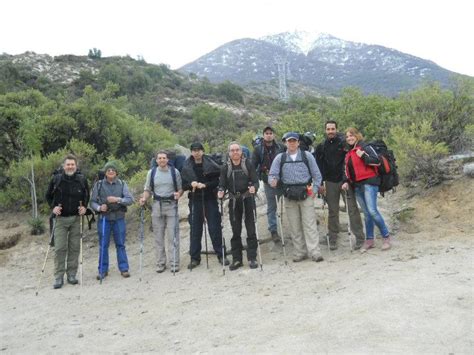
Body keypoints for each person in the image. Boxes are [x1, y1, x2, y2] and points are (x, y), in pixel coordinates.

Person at [269, 132, 324, 263]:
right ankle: (300, 252)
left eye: (294, 141)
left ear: (298, 142)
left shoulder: (307, 156)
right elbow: (272, 174)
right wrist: (273, 180)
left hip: (306, 194)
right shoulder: (279, 158)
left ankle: (315, 252)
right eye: (289, 141)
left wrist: (315, 190)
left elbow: (317, 175)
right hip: (289, 195)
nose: (292, 143)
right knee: (294, 225)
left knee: (309, 224)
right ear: (285, 143)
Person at [315, 120, 365, 250]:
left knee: (352, 209)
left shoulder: (344, 144)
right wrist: (320, 184)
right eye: (328, 129)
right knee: (332, 211)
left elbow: (349, 161)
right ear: (325, 130)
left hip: (346, 181)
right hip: (330, 182)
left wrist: (347, 180)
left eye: (333, 129)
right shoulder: (322, 146)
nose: (330, 131)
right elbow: (318, 166)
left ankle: (360, 237)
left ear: (336, 129)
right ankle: (333, 237)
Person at [341, 127, 391, 252]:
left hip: (370, 183)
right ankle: (369, 240)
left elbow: (377, 162)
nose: (349, 138)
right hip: (357, 186)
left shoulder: (365, 148)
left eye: (351, 135)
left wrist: (363, 156)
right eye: (347, 137)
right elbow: (347, 171)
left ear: (357, 135)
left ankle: (386, 237)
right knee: (367, 214)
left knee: (372, 211)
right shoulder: (348, 154)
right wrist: (346, 182)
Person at [181, 142, 229, 269]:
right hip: (195, 200)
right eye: (194, 150)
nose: (196, 152)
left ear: (202, 151)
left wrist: (206, 185)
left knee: (215, 228)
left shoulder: (211, 164)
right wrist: (191, 184)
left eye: (199, 150)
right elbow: (183, 185)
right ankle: (195, 258)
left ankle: (221, 255)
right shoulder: (186, 167)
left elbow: (217, 181)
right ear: (191, 152)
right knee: (195, 230)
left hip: (210, 199)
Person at [45, 154, 89, 289]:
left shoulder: (81, 180)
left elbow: (86, 195)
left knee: (74, 248)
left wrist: (84, 207)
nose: (70, 167)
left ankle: (71, 274)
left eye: (72, 164)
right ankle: (58, 277)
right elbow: (48, 196)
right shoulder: (56, 179)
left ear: (76, 166)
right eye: (68, 164)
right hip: (60, 219)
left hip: (76, 219)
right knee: (59, 248)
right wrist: (53, 208)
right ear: (64, 166)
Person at [217, 142, 260, 271]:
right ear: (229, 153)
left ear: (241, 152)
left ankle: (252, 258)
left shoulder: (248, 164)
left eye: (237, 150)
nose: (235, 152)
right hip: (233, 201)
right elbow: (222, 184)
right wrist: (220, 190)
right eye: (232, 150)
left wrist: (254, 188)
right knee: (235, 230)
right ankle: (237, 259)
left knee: (251, 228)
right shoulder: (225, 167)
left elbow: (256, 181)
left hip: (247, 198)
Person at [139, 150, 183, 273]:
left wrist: (178, 194)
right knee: (158, 237)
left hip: (171, 205)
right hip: (157, 206)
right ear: (156, 160)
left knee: (172, 235)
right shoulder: (151, 173)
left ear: (168, 159)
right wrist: (144, 198)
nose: (162, 160)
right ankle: (160, 263)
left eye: (164, 158)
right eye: (159, 158)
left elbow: (180, 189)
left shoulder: (175, 172)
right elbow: (148, 189)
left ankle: (174, 263)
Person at [90, 162, 133, 280]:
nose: (110, 172)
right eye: (108, 170)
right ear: (105, 172)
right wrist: (99, 208)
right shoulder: (98, 185)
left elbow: (130, 200)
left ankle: (124, 269)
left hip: (119, 218)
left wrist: (117, 200)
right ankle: (102, 270)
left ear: (116, 172)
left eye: (112, 170)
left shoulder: (122, 184)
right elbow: (92, 202)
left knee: (121, 244)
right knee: (103, 245)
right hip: (104, 218)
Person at [251, 126, 285, 243]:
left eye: (271, 133)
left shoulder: (281, 147)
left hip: (283, 181)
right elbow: (253, 166)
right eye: (266, 133)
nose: (269, 135)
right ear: (263, 135)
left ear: (274, 135)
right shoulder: (258, 149)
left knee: (292, 203)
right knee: (272, 207)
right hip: (268, 181)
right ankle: (273, 231)